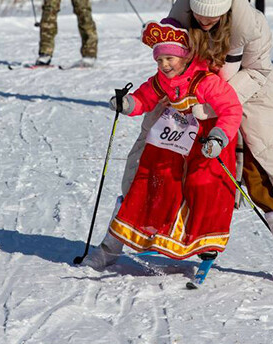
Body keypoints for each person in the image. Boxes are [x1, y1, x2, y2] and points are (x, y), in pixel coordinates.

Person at [89, 0, 273, 283]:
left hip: (244, 96)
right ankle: (112, 246)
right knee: (148, 165)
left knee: (262, 170)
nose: (204, 21)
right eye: (199, 15)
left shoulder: (254, 26)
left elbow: (258, 72)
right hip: (185, 98)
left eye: (213, 16)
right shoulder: (181, 17)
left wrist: (215, 102)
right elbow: (169, 59)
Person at [84, 18, 243, 268]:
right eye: (159, 60)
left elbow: (231, 109)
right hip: (172, 142)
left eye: (170, 58)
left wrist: (219, 136)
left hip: (205, 143)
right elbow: (144, 99)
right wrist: (127, 104)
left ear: (184, 56)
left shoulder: (205, 81)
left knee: (202, 186)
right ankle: (152, 235)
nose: (164, 65)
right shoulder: (160, 80)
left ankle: (205, 244)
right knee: (155, 182)